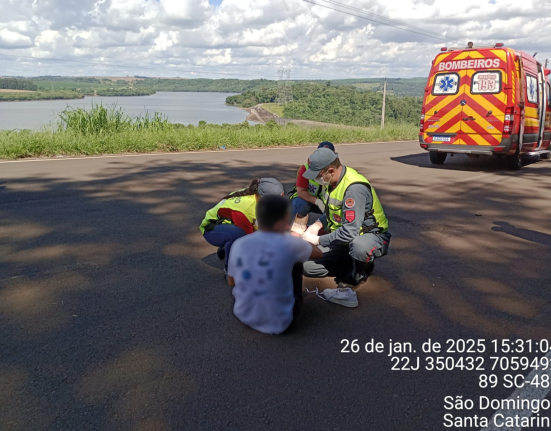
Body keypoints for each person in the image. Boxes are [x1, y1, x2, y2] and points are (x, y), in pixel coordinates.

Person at [300, 148, 391, 308]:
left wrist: (318, 239)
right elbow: (332, 212)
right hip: (342, 238)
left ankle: (358, 272)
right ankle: (351, 262)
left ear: (330, 170)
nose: (315, 179)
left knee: (359, 247)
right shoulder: (331, 181)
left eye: (317, 175)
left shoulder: (354, 189)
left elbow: (350, 232)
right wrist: (318, 224)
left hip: (370, 236)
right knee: (307, 266)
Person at [227, 195, 323, 335]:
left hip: (243, 314)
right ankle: (290, 301)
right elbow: (318, 254)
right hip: (280, 323)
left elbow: (231, 282)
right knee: (296, 263)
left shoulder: (238, 243)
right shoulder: (290, 244)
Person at [199, 178, 284, 275]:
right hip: (211, 228)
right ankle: (231, 269)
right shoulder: (245, 209)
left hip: (228, 224)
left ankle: (226, 247)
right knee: (239, 236)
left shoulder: (257, 196)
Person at [289, 142, 336, 221]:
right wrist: (318, 202)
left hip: (327, 202)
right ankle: (292, 227)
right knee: (299, 204)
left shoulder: (335, 170)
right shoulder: (306, 168)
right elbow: (301, 191)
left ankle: (329, 227)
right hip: (307, 199)